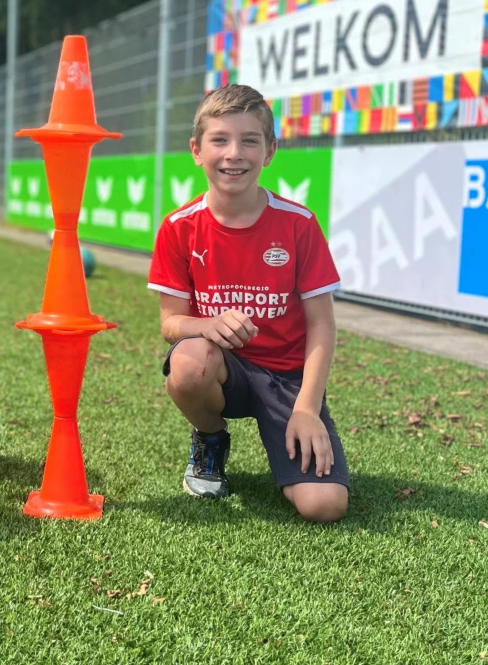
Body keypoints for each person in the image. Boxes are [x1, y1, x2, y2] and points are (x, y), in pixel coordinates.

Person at [147, 84, 349, 522]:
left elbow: (322, 324)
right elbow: (170, 323)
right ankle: (210, 438)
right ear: (197, 150)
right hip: (226, 369)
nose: (233, 153)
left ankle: (292, 427)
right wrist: (206, 325)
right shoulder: (178, 227)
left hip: (287, 378)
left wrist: (307, 409)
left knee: (324, 506)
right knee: (188, 363)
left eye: (249, 140)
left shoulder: (299, 224)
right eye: (220, 140)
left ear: (270, 150)